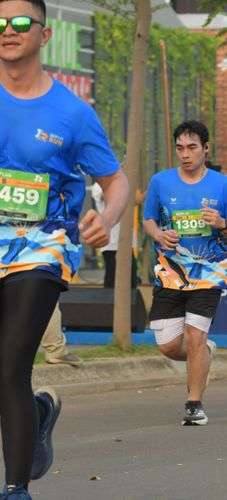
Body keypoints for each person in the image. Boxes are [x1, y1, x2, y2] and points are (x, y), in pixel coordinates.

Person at [0, 1, 129, 497]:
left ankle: (16, 489)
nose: (8, 31)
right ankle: (36, 414)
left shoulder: (72, 113)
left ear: (45, 34)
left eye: (20, 23)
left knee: (10, 364)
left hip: (43, 244)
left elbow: (115, 182)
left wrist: (107, 218)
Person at [143, 120, 227, 426]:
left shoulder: (223, 185)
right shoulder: (160, 182)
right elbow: (148, 219)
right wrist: (159, 235)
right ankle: (204, 354)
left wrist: (222, 223)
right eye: (180, 148)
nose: (185, 154)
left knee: (195, 335)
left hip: (208, 271)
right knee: (169, 344)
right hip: (170, 272)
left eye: (192, 147)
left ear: (205, 148)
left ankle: (194, 404)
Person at [92, 181, 142, 288]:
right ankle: (108, 298)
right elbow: (107, 196)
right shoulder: (98, 186)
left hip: (126, 241)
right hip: (111, 242)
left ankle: (130, 298)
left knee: (131, 274)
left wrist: (150, 190)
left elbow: (136, 201)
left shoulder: (122, 184)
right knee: (112, 276)